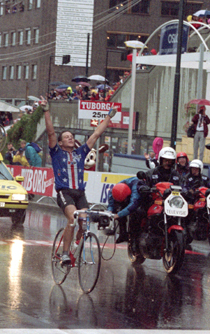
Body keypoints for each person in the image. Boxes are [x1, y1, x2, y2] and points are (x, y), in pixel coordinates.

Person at [40, 98, 116, 266]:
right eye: (66, 137)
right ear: (60, 142)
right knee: (73, 219)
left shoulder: (81, 152)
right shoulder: (57, 153)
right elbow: (51, 133)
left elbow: (96, 134)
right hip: (64, 192)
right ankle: (65, 254)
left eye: (71, 136)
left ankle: (77, 243)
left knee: (84, 221)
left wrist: (109, 117)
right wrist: (46, 111)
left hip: (80, 193)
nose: (70, 138)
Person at [107, 177, 143, 244]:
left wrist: (119, 215)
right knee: (118, 209)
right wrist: (109, 212)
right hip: (126, 196)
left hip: (139, 198)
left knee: (137, 213)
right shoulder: (113, 191)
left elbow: (134, 204)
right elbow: (110, 205)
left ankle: (135, 236)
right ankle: (122, 234)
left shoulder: (135, 187)